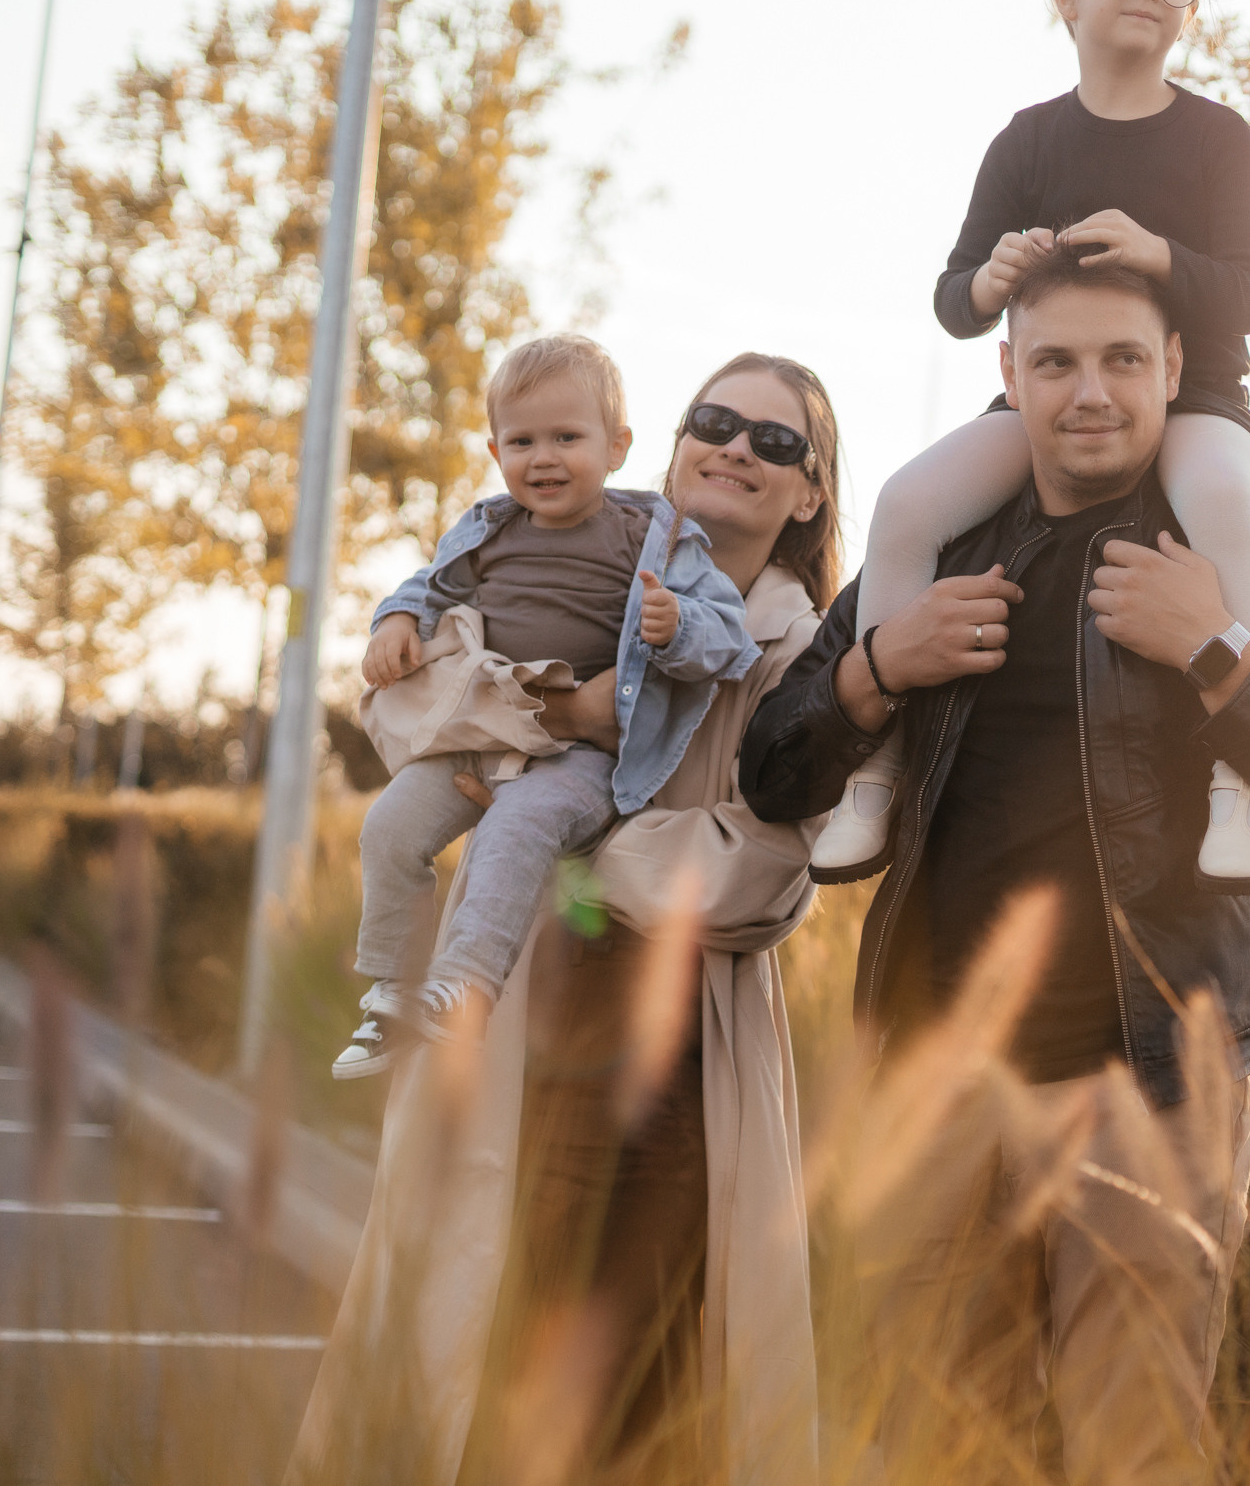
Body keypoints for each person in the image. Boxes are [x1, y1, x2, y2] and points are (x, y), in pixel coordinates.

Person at [740, 246, 1250, 1482]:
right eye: (1054, 362)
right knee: (935, 1450)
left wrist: (1215, 651)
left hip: (1149, 1089)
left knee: (1134, 1451)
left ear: (1173, 369)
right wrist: (880, 666)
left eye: (1121, 359)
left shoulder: (1243, 552)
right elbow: (772, 768)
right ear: (1009, 375)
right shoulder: (941, 547)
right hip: (936, 1081)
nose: (1089, 390)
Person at [291, 353, 845, 1486]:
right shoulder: (571, 558)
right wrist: (550, 699)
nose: (738, 445)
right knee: (476, 1360)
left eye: (777, 441)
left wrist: (566, 835)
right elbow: (407, 713)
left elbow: (764, 876)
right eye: (717, 419)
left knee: (633, 1390)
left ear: (808, 493)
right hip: (511, 1025)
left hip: (675, 1065)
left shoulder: (800, 648)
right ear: (673, 443)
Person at [811, 0, 1250, 891]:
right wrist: (994, 276)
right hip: (1047, 403)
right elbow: (954, 298)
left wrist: (1158, 254)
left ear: (1190, 3)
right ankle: (879, 767)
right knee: (908, 501)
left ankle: (1246, 775)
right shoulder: (1028, 138)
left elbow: (1249, 292)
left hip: (1194, 396)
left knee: (1215, 497)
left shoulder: (1215, 138)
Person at [336, 333, 757, 1079]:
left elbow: (727, 632)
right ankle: (393, 990)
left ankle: (462, 988)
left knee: (516, 826)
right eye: (523, 440)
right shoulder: (488, 529)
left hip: (582, 757)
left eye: (568, 437)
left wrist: (675, 626)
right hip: (485, 735)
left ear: (617, 444)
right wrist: (394, 622)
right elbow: (428, 587)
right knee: (389, 826)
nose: (545, 457)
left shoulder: (650, 535)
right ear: (496, 450)